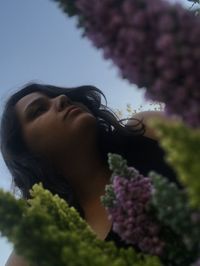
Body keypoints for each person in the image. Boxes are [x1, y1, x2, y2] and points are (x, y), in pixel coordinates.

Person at [0, 82, 179, 266]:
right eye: (38, 110)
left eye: (57, 95)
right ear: (24, 152)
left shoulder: (144, 129)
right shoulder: (46, 240)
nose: (62, 99)